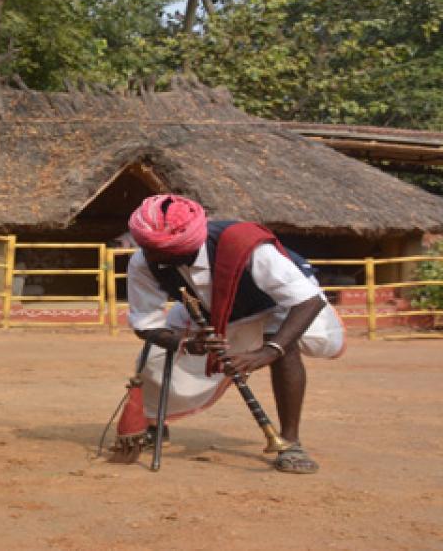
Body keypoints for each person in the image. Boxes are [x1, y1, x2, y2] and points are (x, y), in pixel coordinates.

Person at [121, 194, 345, 474]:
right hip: (207, 307)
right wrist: (187, 343)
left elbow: (307, 301)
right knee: (153, 358)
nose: (150, 256)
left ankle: (290, 442)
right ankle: (155, 424)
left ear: (185, 246)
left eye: (158, 252)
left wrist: (268, 351)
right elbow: (146, 323)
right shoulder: (145, 259)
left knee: (285, 350)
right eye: (146, 248)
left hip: (278, 302)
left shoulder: (243, 245)